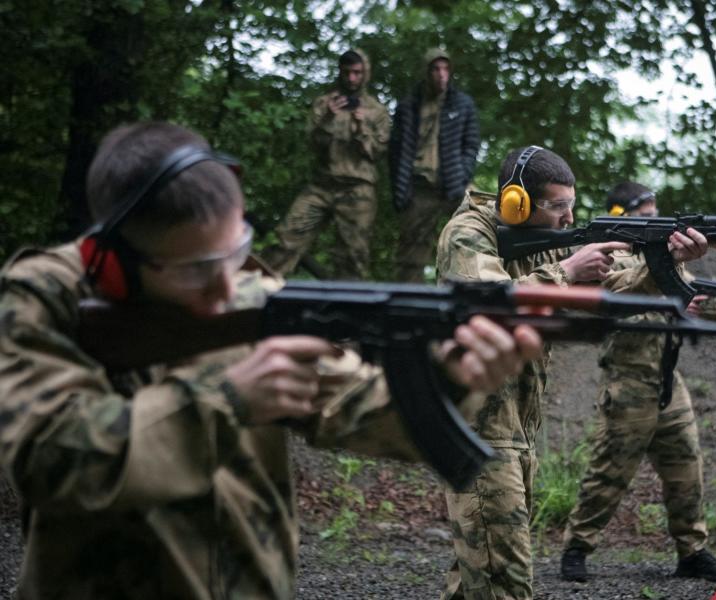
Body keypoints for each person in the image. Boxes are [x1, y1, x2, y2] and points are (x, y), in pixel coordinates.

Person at [0, 122, 543, 600]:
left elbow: (357, 407)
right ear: (111, 266)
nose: (226, 288)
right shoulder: (47, 297)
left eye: (234, 252)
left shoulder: (248, 289)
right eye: (197, 269)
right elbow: (47, 457)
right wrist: (226, 398)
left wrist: (448, 380)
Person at [434, 150, 712, 599]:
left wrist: (668, 263)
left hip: (516, 429)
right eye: (558, 206)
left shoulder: (546, 238)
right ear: (515, 204)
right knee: (505, 580)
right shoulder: (468, 234)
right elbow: (487, 301)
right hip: (479, 430)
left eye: (572, 204)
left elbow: (615, 286)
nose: (570, 218)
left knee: (476, 574)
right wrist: (565, 272)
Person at [559, 181, 716, 584]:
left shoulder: (664, 261)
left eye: (656, 214)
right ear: (620, 218)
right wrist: (663, 263)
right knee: (609, 473)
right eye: (645, 216)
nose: (655, 222)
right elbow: (613, 294)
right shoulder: (606, 260)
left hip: (666, 379)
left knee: (686, 468)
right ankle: (576, 548)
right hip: (628, 382)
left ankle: (691, 551)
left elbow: (695, 304)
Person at [265, 49, 391, 279]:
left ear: (365, 74)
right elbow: (312, 145)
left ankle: (348, 309)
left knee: (353, 255)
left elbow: (378, 152)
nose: (351, 78)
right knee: (286, 238)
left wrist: (361, 126)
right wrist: (328, 119)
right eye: (347, 73)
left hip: (358, 189)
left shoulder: (377, 111)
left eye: (357, 73)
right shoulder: (324, 104)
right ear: (340, 73)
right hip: (321, 185)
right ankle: (258, 295)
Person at [389, 47, 479, 282]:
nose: (441, 74)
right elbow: (395, 152)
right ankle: (409, 306)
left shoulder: (462, 104)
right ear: (427, 72)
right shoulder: (409, 106)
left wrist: (462, 175)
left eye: (446, 68)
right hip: (420, 187)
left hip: (455, 185)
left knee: (470, 241)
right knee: (410, 255)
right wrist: (400, 189)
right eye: (436, 69)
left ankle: (465, 299)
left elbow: (471, 145)